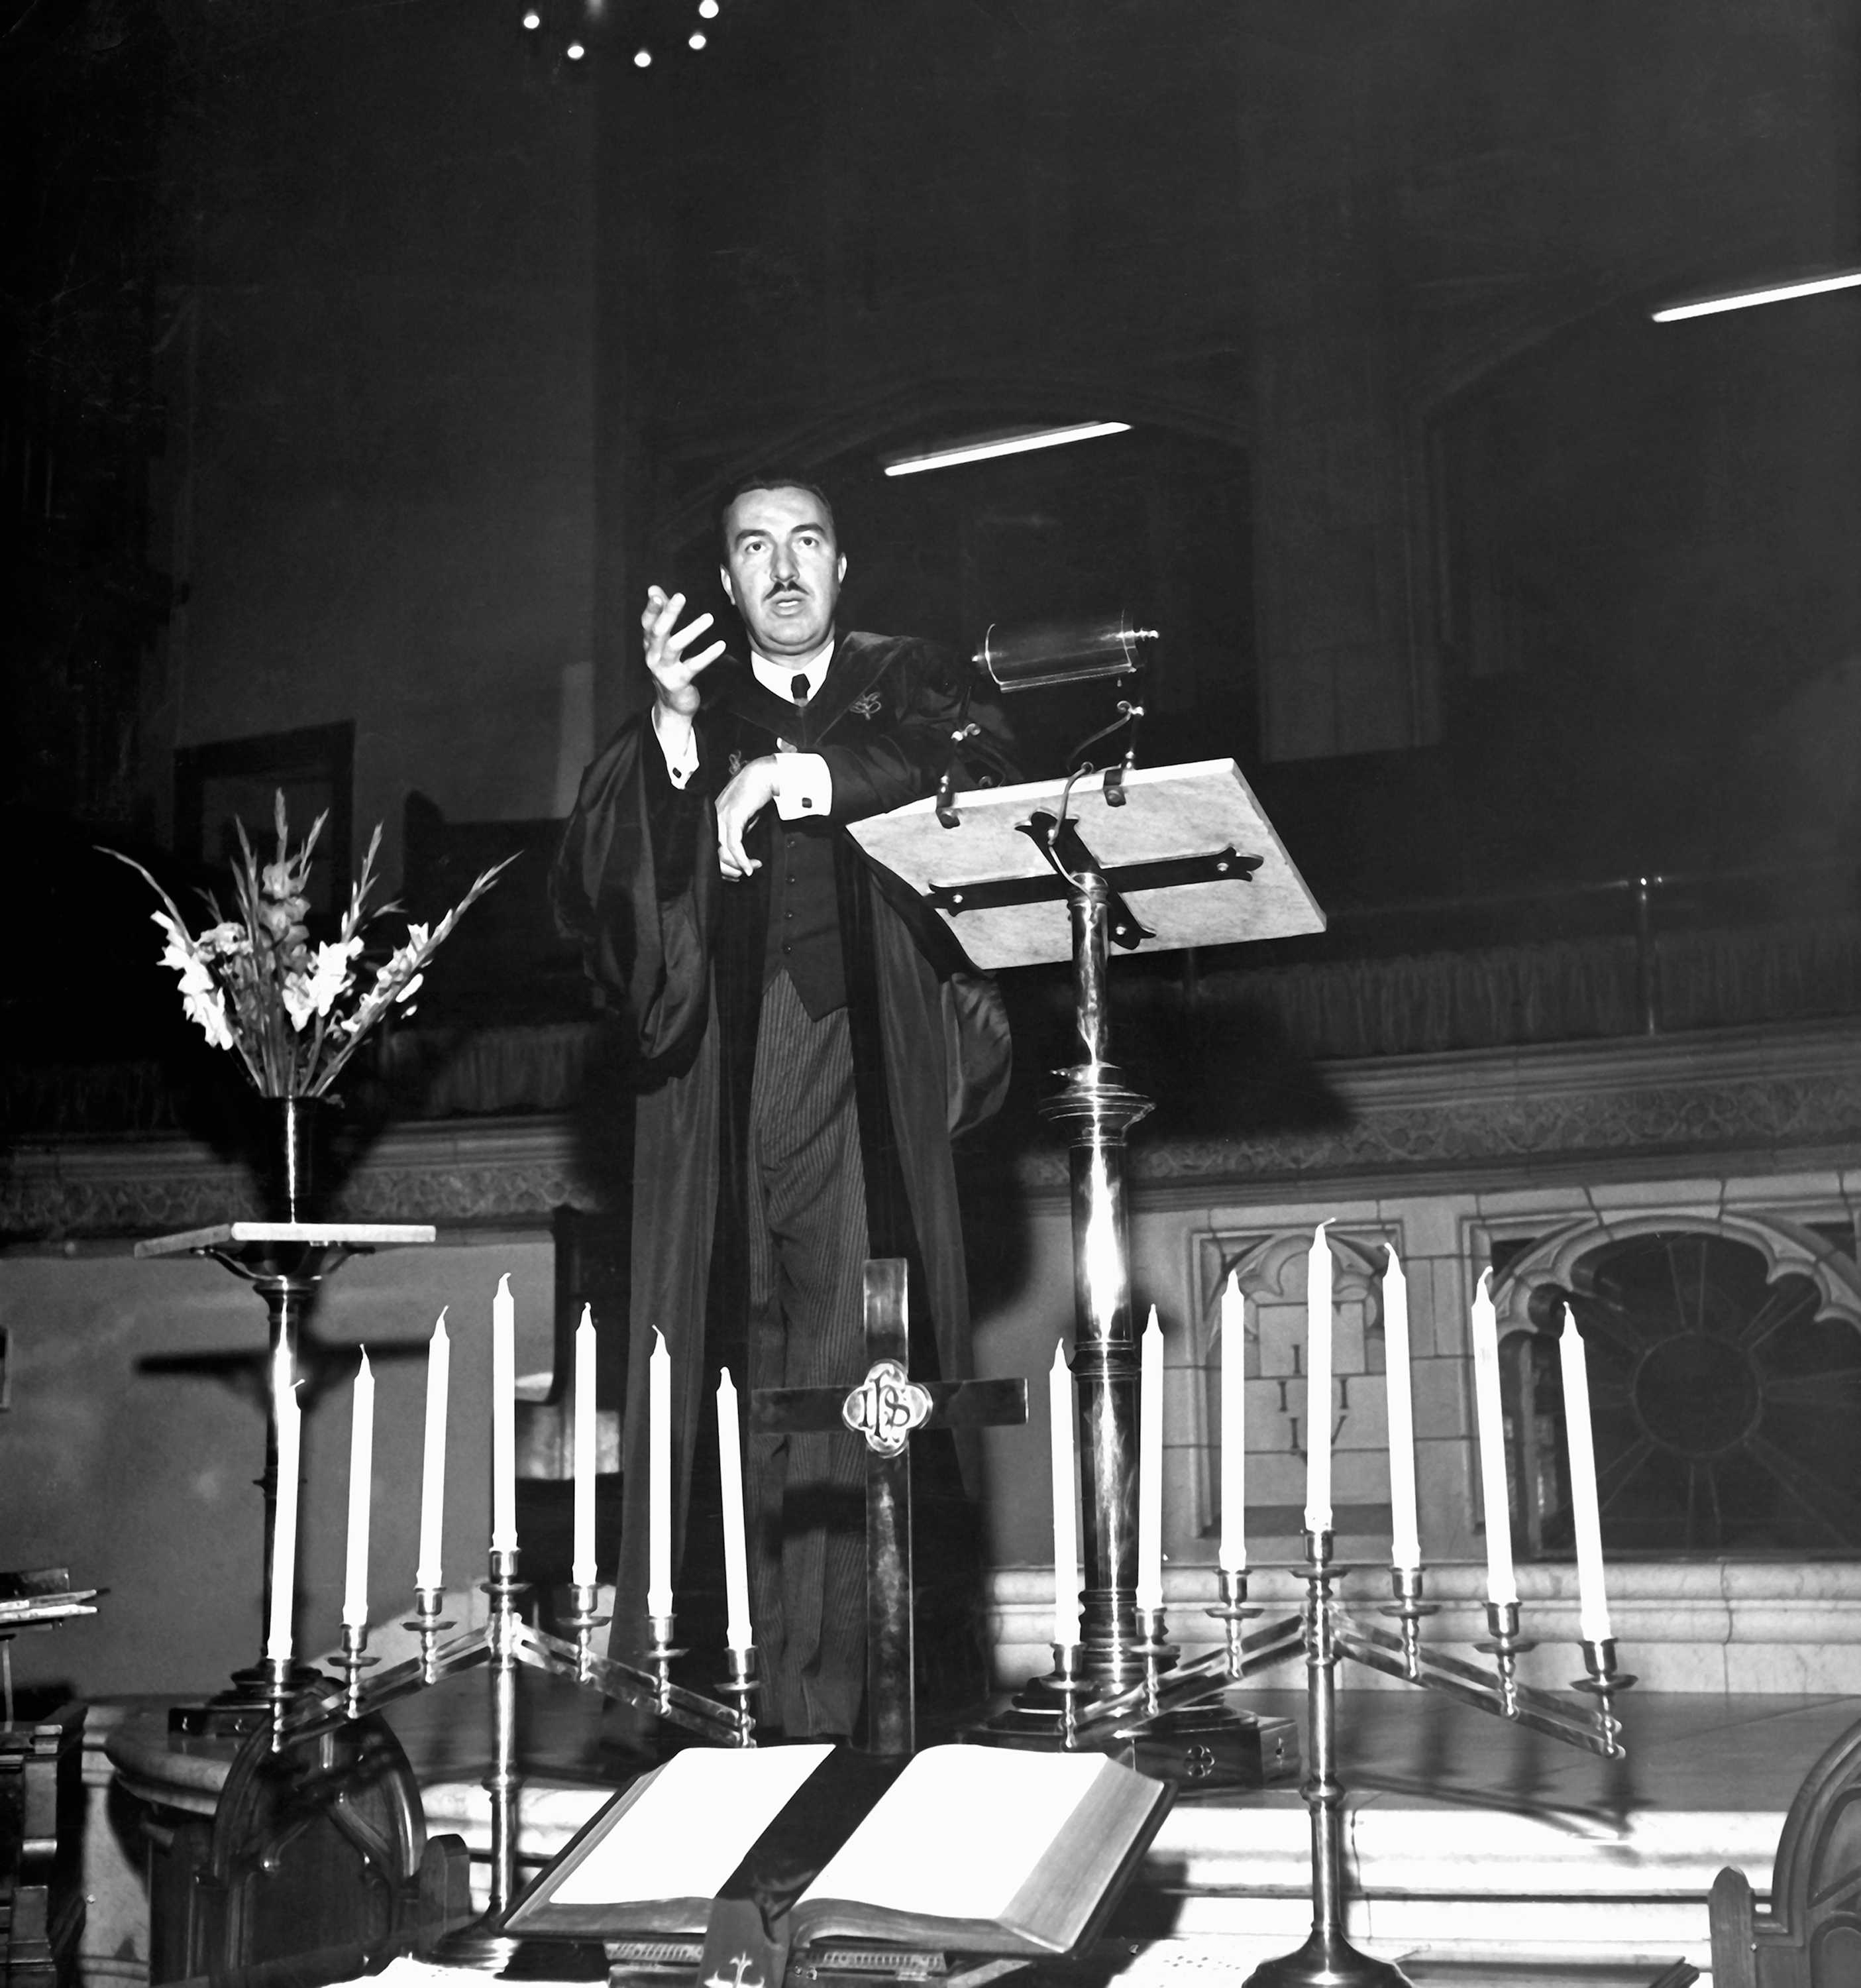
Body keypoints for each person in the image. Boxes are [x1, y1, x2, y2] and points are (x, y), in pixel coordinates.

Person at [553, 472, 1015, 1738]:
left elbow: (983, 767)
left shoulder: (911, 676)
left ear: (844, 565)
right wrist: (678, 735)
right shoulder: (683, 708)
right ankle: (725, 1701)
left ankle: (867, 1703)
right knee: (729, 1368)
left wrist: (793, 777)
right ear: (726, 581)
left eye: (806, 541)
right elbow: (603, 902)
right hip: (721, 1084)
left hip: (864, 1067)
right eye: (754, 548)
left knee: (857, 1365)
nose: (785, 567)